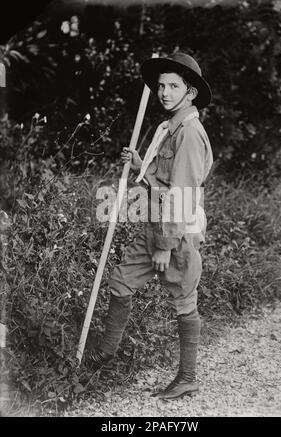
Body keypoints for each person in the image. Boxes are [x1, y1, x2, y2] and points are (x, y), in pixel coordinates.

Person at [88, 52, 214, 400]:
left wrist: (165, 244)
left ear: (190, 92)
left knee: (184, 300)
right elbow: (162, 180)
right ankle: (104, 354)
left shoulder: (190, 133)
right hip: (153, 223)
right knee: (121, 280)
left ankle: (188, 376)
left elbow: (184, 193)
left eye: (173, 86)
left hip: (176, 232)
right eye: (161, 85)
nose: (164, 91)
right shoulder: (169, 128)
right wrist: (142, 163)